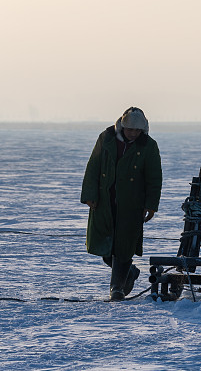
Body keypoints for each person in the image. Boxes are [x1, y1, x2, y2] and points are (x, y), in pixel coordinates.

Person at [81, 107, 162, 301]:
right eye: (130, 129)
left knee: (123, 247)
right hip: (105, 201)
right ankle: (130, 272)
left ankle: (116, 288)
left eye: (137, 131)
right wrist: (90, 194)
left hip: (131, 204)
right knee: (105, 247)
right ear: (122, 126)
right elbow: (94, 165)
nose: (133, 134)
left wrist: (151, 205)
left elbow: (154, 178)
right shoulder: (106, 138)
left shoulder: (148, 146)